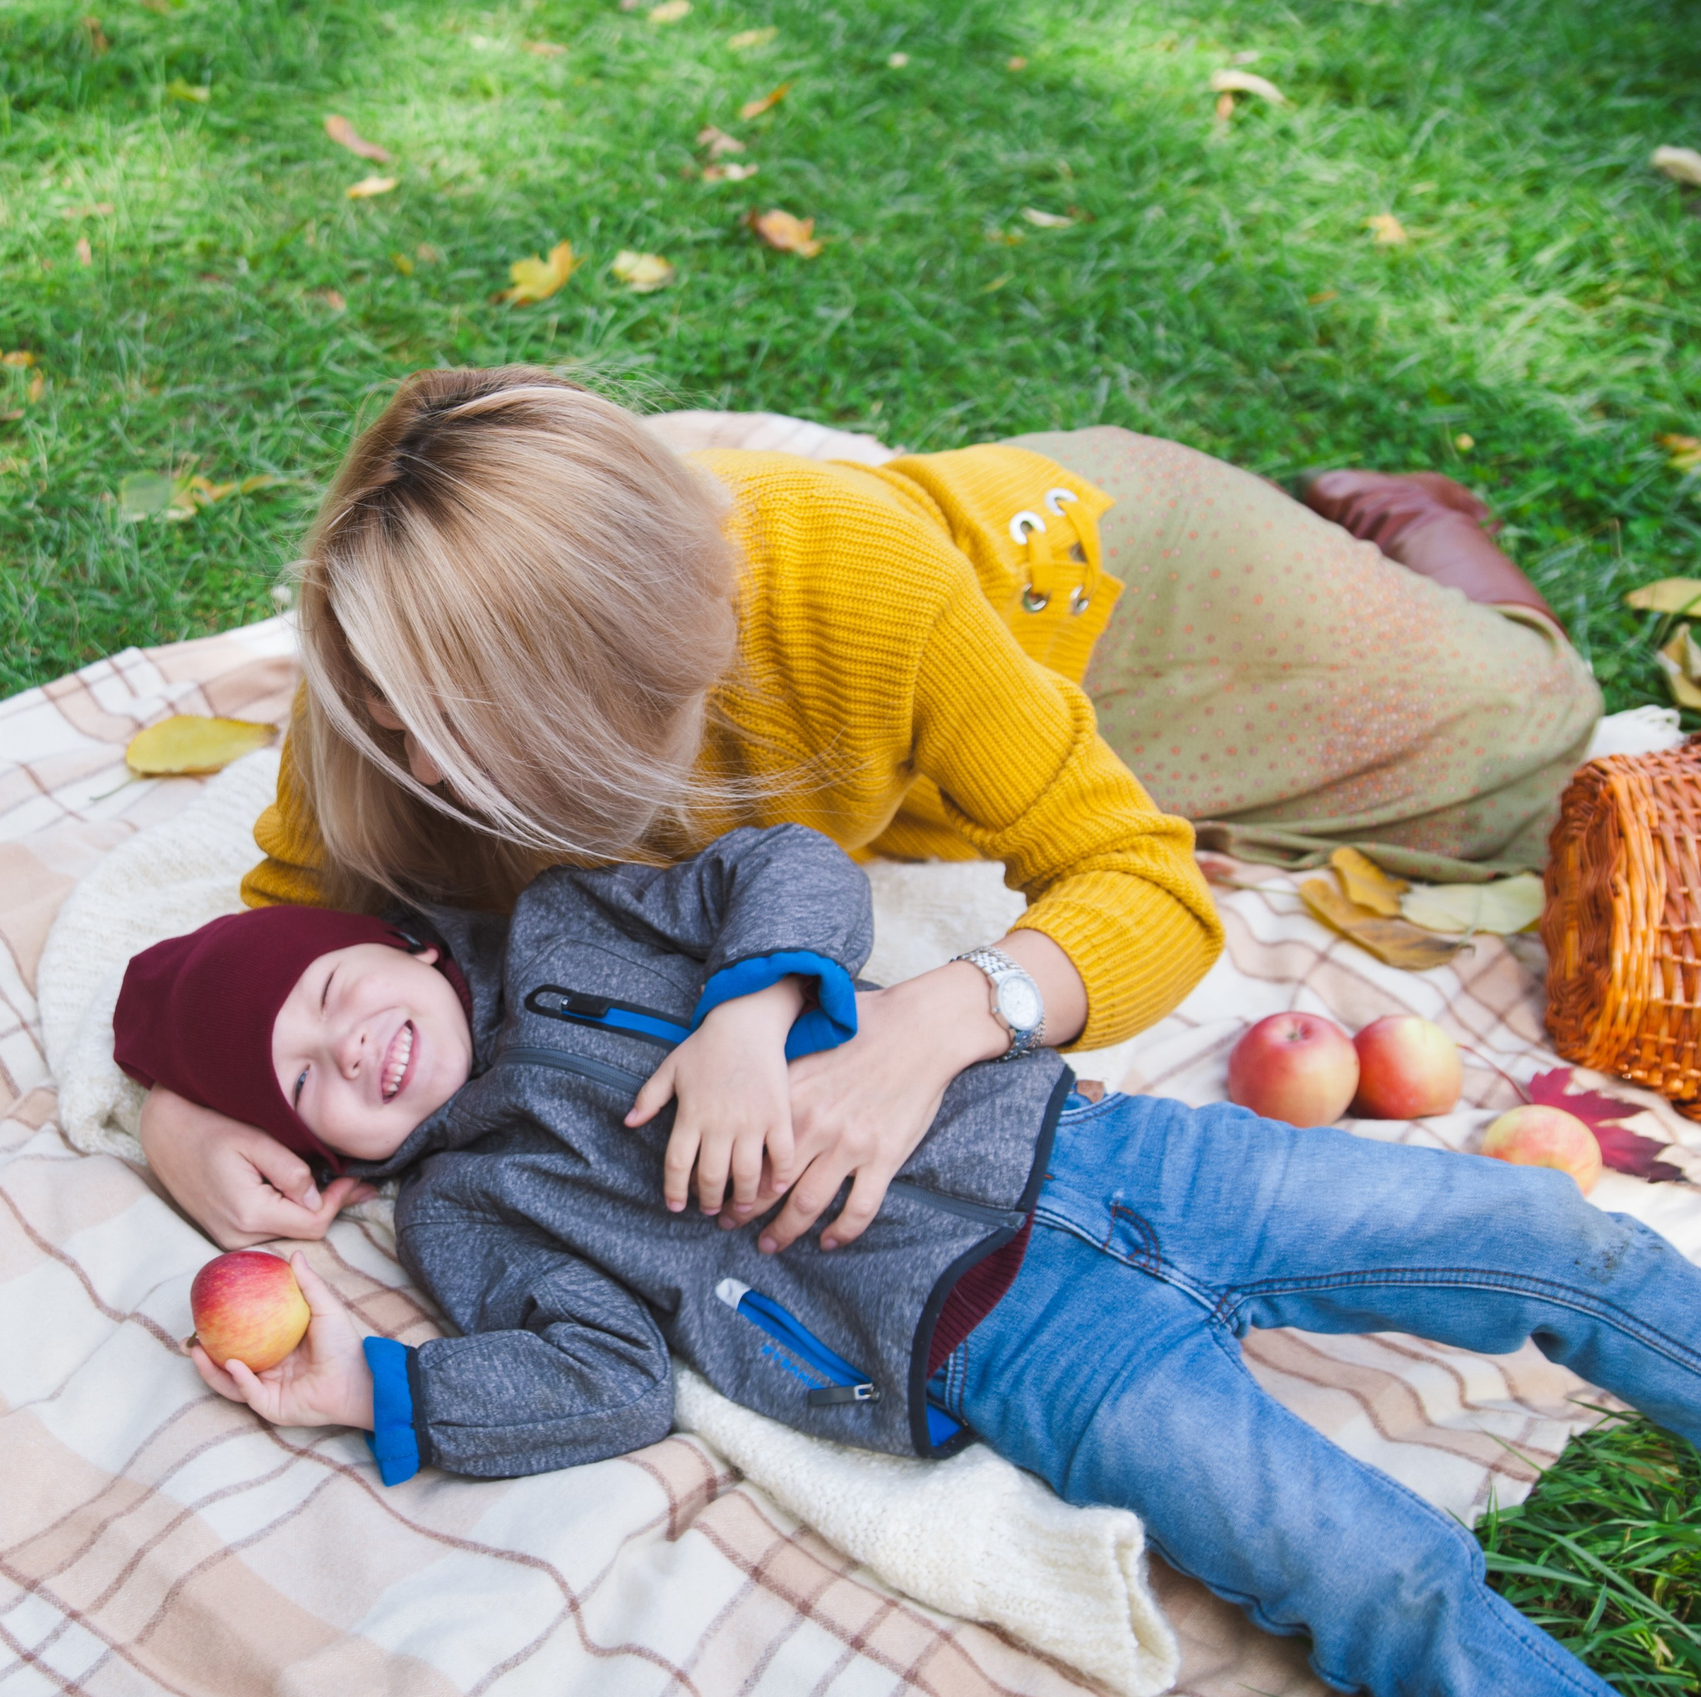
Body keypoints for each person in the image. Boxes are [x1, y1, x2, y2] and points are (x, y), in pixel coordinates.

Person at [113, 825, 1685, 1697]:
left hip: (1110, 1152)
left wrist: (748, 1008)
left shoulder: (575, 923)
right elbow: (597, 1379)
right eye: (307, 1077)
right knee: (1378, 1574)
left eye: (326, 994)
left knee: (1553, 1240)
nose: (350, 1045)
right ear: (334, 1158)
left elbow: (787, 865)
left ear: (393, 945)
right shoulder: (472, 1212)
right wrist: (375, 1386)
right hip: (1011, 1347)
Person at [141, 367, 1602, 1252]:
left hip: (1116, 593)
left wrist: (939, 1019)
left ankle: (1419, 524)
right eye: (406, 729)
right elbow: (277, 930)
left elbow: (1146, 885)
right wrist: (178, 1111)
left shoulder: (845, 577)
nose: (435, 780)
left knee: (1541, 745)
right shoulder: (395, 674)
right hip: (964, 729)